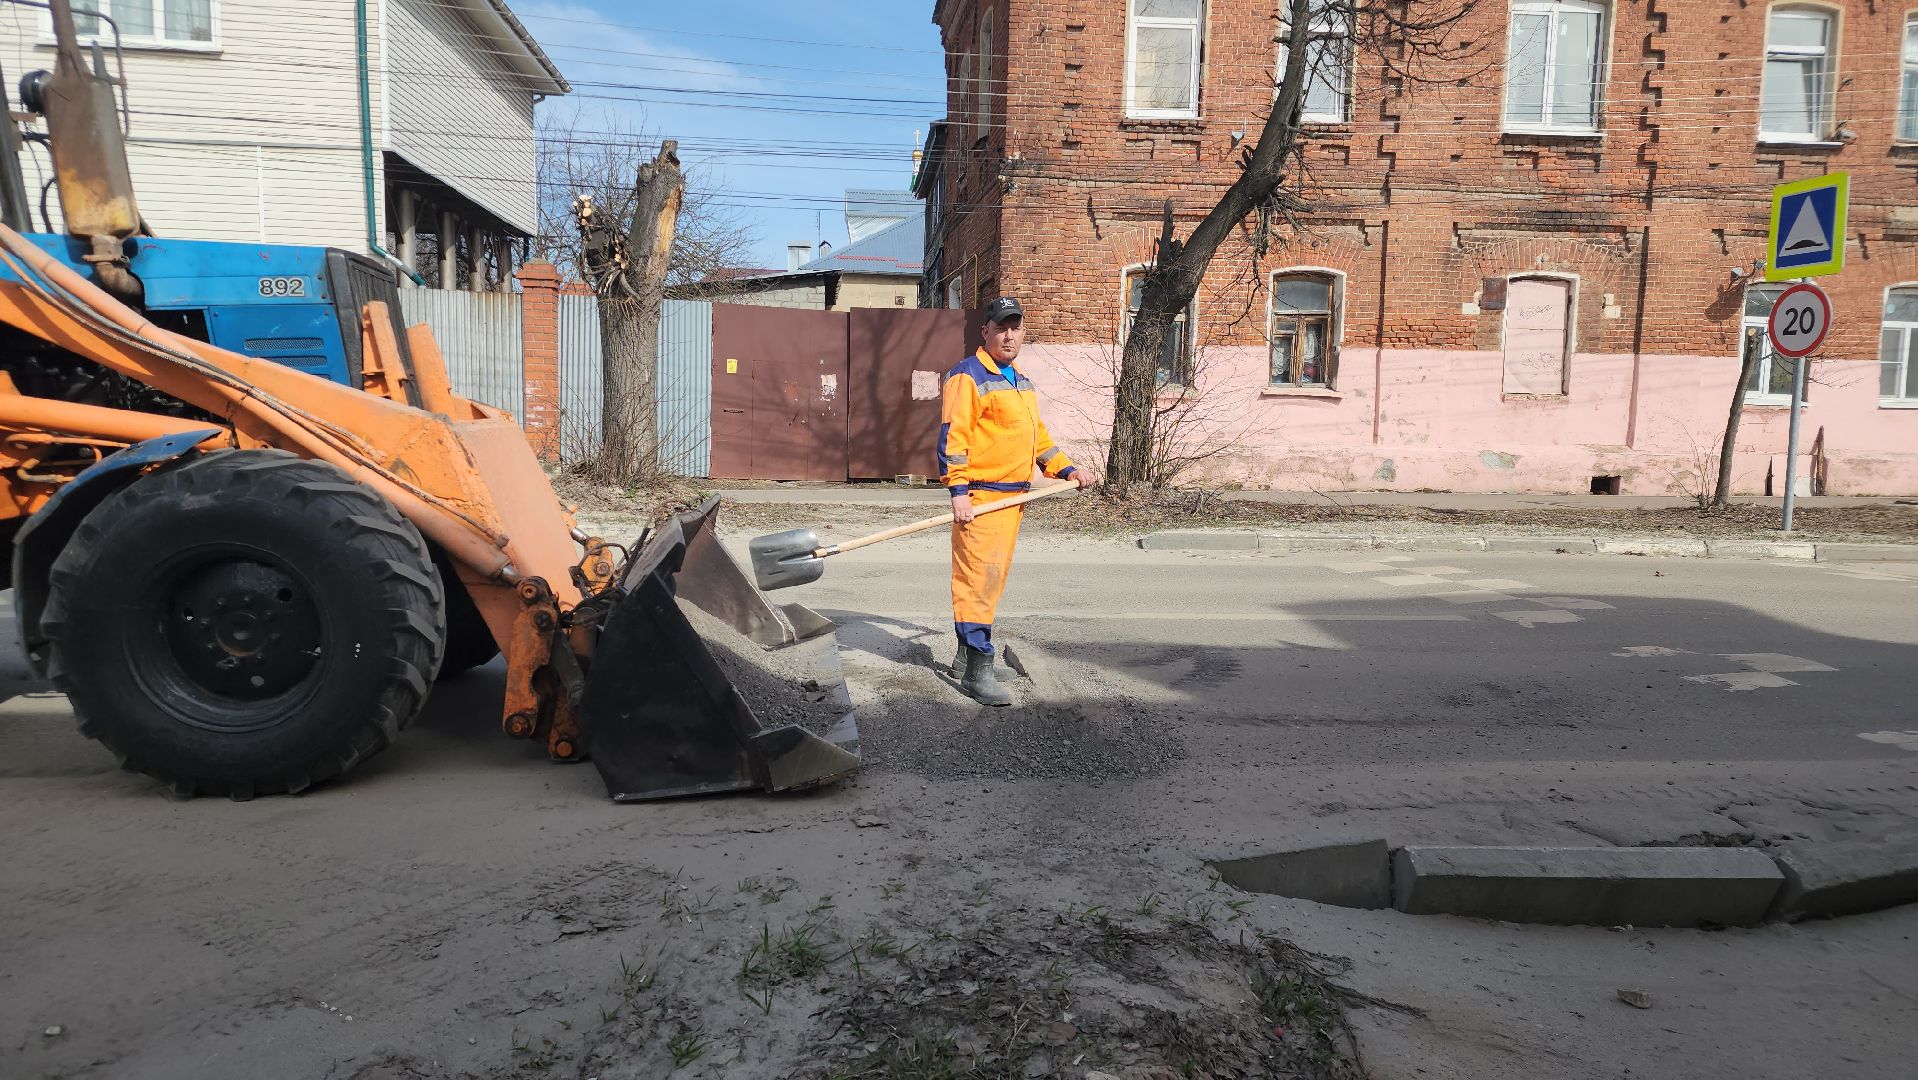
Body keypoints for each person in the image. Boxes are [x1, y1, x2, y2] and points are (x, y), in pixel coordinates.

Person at [936, 296, 1093, 706]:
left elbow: (1037, 439)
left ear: (1023, 333)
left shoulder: (1019, 380)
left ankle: (963, 659)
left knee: (992, 583)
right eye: (1001, 327)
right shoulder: (967, 376)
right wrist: (958, 493)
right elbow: (954, 441)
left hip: (1012, 501)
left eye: (1015, 327)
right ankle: (978, 668)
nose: (1008, 335)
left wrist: (1068, 470)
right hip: (981, 499)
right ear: (984, 331)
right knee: (978, 585)